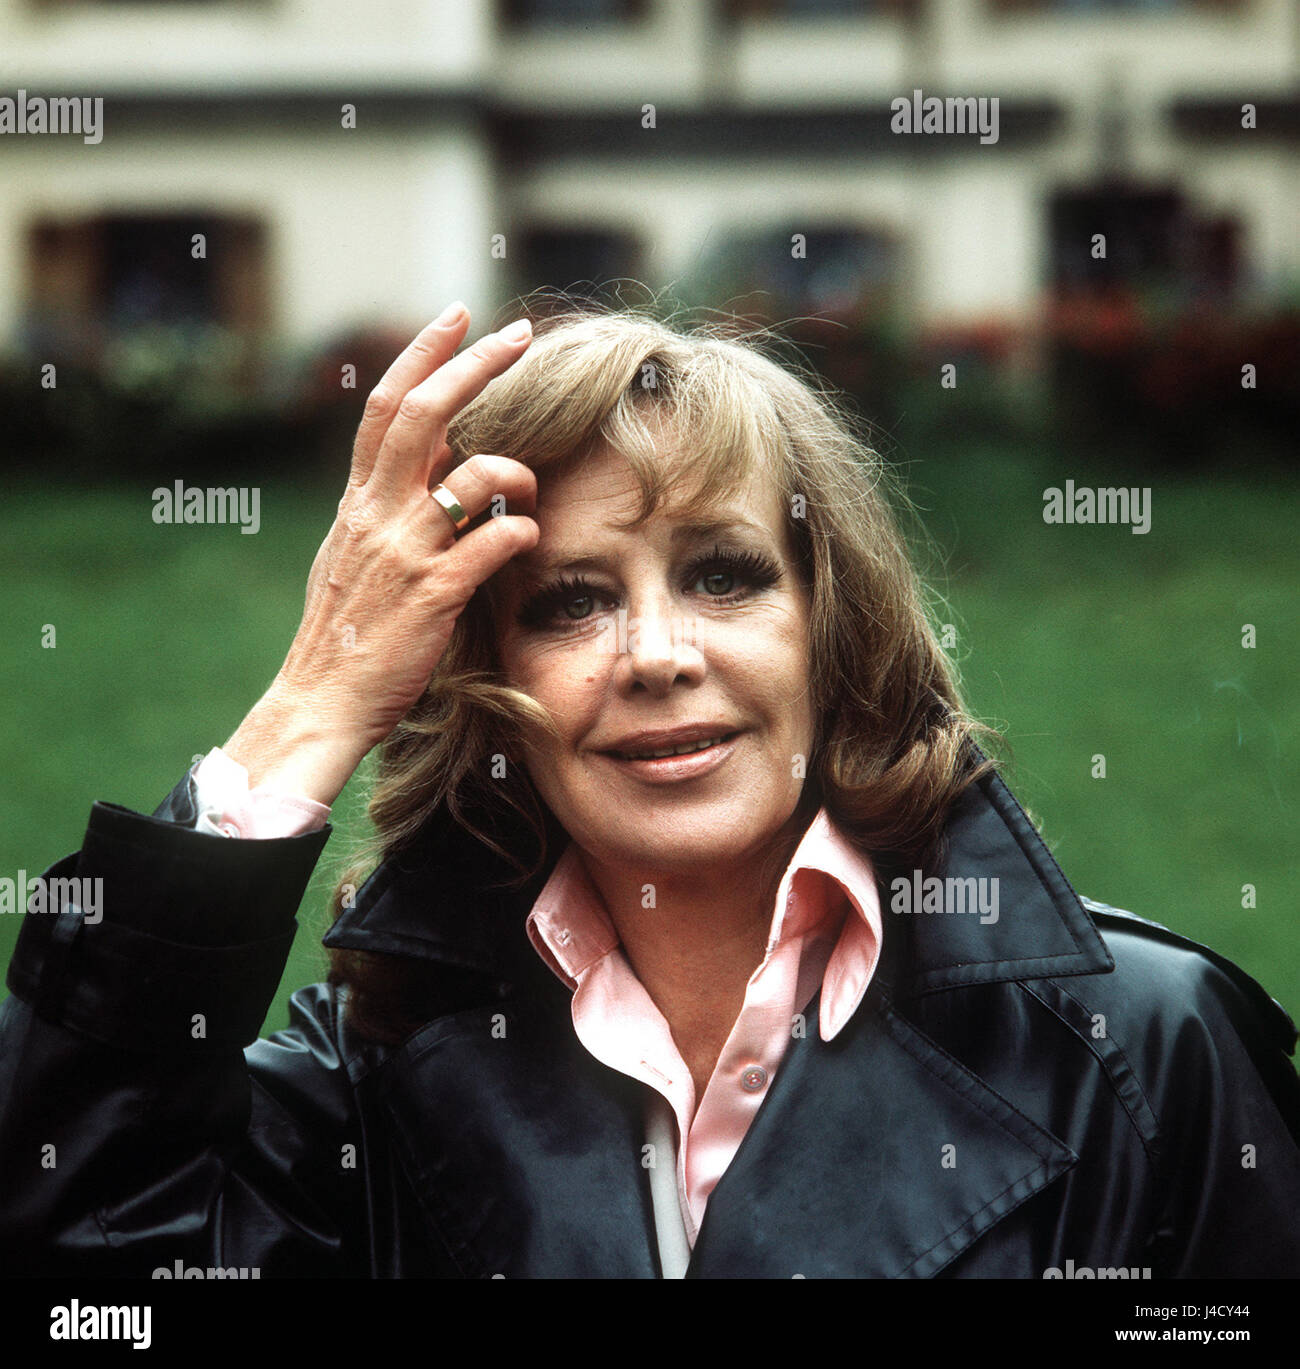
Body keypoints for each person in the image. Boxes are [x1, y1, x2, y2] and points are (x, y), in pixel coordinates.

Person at [2, 301, 1298, 1279]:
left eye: (725, 574)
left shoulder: (1142, 1048)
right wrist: (315, 701)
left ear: (826, 625)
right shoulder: (376, 1077)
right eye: (570, 601)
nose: (661, 655)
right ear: (485, 674)